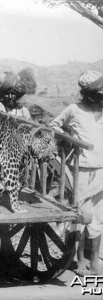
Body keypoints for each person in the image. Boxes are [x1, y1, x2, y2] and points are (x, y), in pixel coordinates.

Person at [50, 70, 103, 276]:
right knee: (80, 215)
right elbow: (53, 126)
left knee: (98, 217)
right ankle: (80, 260)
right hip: (80, 170)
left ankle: (95, 260)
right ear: (89, 94)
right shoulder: (74, 109)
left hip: (101, 171)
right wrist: (68, 139)